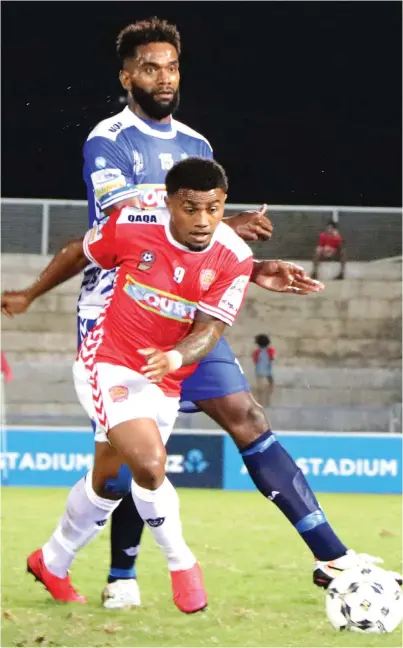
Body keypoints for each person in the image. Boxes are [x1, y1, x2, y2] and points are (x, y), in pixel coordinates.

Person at [3, 17, 398, 609]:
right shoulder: (108, 139)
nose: (163, 78)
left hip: (187, 313)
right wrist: (31, 293)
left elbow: (204, 234)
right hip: (120, 313)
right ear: (127, 74)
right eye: (150, 67)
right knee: (123, 463)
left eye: (172, 66)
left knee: (246, 415)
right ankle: (119, 575)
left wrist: (248, 263)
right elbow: (126, 222)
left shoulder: (197, 144)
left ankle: (331, 556)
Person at [25, 158, 254, 611]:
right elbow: (78, 250)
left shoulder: (235, 256)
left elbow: (209, 331)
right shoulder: (133, 225)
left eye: (213, 208)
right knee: (150, 465)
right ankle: (181, 562)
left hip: (165, 374)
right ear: (170, 203)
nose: (203, 220)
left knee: (109, 483)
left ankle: (51, 560)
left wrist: (174, 356)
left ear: (223, 204)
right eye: (191, 208)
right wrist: (29, 293)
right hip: (108, 360)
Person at [252, 334, 275, 406]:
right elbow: (272, 358)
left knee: (260, 387)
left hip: (259, 371)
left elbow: (255, 361)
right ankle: (267, 401)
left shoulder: (257, 352)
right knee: (270, 385)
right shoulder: (270, 350)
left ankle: (260, 401)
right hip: (268, 370)